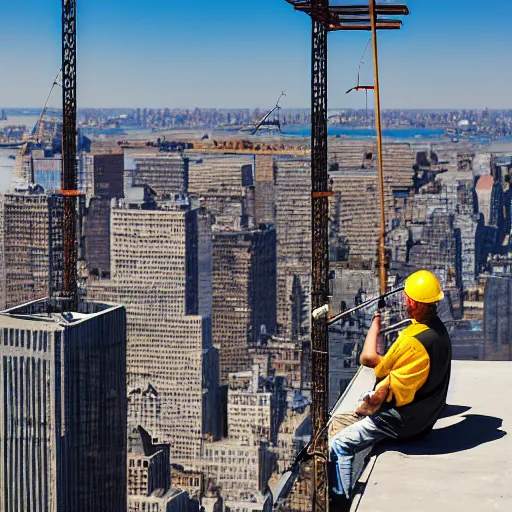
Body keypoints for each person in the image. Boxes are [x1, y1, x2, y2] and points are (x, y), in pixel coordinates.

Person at [329, 270, 452, 507]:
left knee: (339, 444)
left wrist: (375, 323)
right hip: (426, 418)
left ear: (413, 303)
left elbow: (372, 364)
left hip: (403, 422)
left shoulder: (411, 339)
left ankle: (340, 502)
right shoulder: (439, 331)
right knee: (342, 423)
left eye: (407, 297)